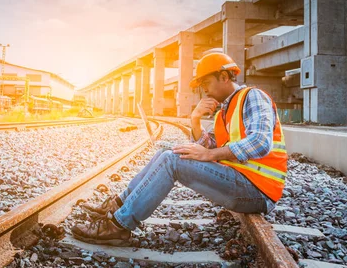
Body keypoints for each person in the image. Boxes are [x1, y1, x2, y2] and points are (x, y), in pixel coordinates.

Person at [71, 52, 288, 246]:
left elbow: (260, 141)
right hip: (241, 181)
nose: (203, 89)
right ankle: (117, 205)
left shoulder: (253, 97)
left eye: (206, 82)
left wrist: (210, 154)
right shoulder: (225, 111)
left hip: (257, 190)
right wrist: (194, 120)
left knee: (172, 161)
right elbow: (208, 144)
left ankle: (117, 226)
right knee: (170, 151)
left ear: (224, 76)